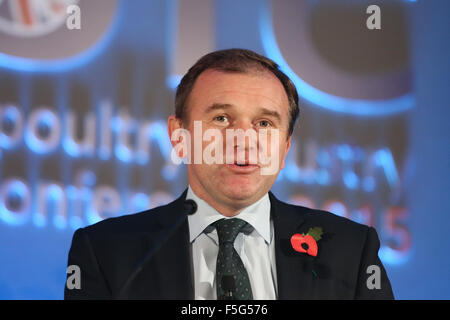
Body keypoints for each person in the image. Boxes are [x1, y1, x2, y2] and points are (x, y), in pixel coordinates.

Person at [64, 48, 394, 300]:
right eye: (222, 119)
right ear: (179, 137)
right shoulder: (106, 253)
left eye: (264, 124)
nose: (244, 140)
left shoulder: (351, 250)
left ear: (285, 148)